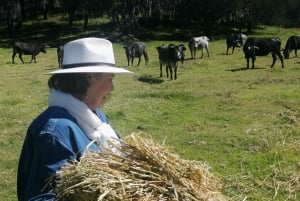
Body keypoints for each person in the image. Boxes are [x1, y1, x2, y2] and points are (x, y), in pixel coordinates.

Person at [17, 37, 132, 201]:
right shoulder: (55, 133)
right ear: (90, 78)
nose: (112, 88)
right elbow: (41, 198)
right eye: (110, 79)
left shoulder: (96, 116)